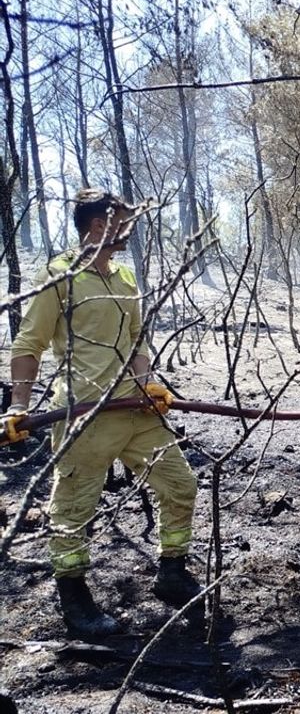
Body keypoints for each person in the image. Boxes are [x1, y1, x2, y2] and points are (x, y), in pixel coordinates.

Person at [2, 189, 203, 637]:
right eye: (125, 222)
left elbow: (136, 341)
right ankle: (73, 597)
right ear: (99, 225)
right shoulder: (61, 276)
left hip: (136, 411)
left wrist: (148, 384)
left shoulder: (125, 278)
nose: (131, 230)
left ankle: (172, 571)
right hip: (84, 417)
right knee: (73, 510)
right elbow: (29, 343)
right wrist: (18, 405)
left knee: (180, 485)